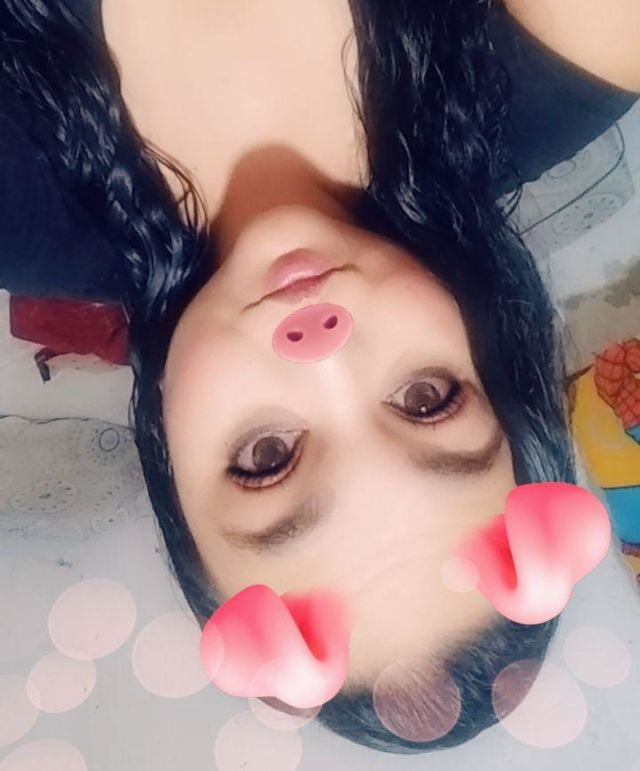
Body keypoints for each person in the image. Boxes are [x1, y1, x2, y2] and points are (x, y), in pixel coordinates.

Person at [0, 0, 638, 755]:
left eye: (266, 456)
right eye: (426, 399)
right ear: (490, 362)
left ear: (173, 466)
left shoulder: (20, 207)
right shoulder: (573, 52)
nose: (324, 351)